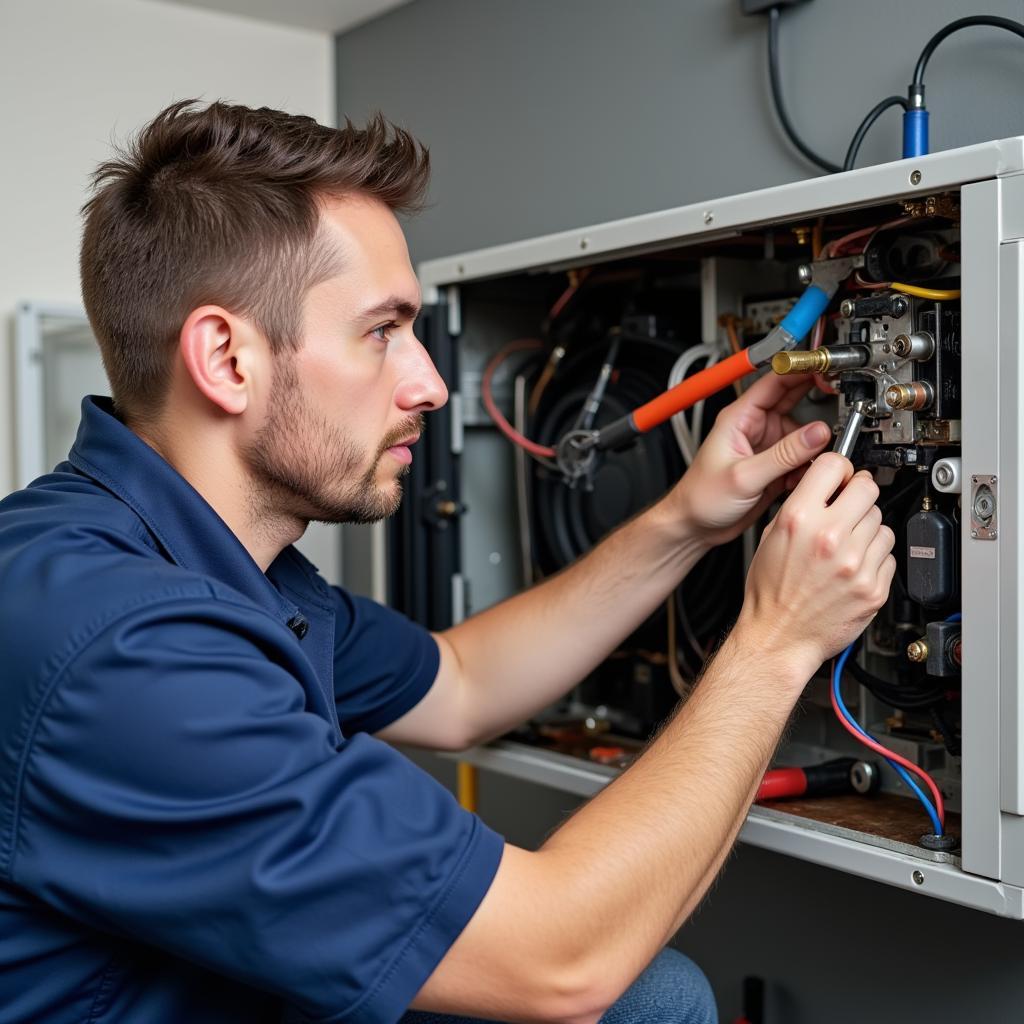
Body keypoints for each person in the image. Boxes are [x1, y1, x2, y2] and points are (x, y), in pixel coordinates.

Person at [0, 101, 895, 1024]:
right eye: (382, 330)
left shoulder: (206, 564)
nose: (429, 382)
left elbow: (462, 682)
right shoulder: (126, 649)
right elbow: (561, 961)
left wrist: (684, 523)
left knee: (657, 996)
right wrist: (778, 640)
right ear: (227, 358)